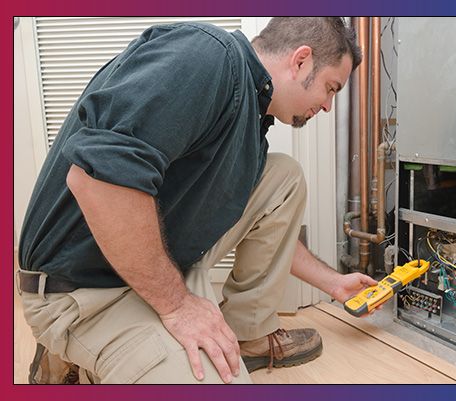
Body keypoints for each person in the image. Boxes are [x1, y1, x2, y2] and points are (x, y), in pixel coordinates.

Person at [17, 17, 378, 384]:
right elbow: (98, 180)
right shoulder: (207, 55)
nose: (329, 106)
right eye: (331, 88)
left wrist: (333, 282)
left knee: (283, 176)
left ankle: (245, 334)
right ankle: (78, 353)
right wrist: (178, 307)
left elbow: (266, 224)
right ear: (301, 61)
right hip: (84, 288)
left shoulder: (251, 119)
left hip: (152, 258)